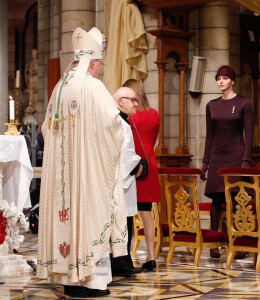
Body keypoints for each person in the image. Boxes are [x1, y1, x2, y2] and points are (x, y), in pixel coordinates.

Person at [37, 27, 127, 298]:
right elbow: (114, 126)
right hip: (87, 176)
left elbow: (45, 128)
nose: (99, 70)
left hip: (62, 179)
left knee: (65, 217)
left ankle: (67, 279)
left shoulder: (59, 87)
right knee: (88, 217)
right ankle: (90, 283)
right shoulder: (93, 86)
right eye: (99, 65)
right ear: (94, 62)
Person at [200, 65, 254, 259]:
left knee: (237, 200)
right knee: (216, 200)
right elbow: (209, 136)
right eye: (218, 78)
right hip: (217, 157)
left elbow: (249, 135)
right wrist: (205, 162)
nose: (220, 81)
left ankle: (241, 242)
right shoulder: (211, 105)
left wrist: (246, 161)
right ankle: (214, 243)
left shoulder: (244, 103)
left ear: (233, 81)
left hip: (236, 156)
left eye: (224, 78)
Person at [122, 79, 161, 271]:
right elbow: (152, 141)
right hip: (150, 164)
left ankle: (124, 256)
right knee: (147, 213)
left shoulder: (130, 116)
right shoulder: (154, 114)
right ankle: (151, 256)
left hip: (133, 165)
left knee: (127, 213)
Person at [111, 87, 143, 276]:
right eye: (133, 100)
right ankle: (121, 264)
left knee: (127, 221)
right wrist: (138, 165)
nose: (136, 104)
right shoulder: (118, 122)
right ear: (121, 101)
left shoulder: (124, 121)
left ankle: (124, 261)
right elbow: (123, 152)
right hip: (122, 180)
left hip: (126, 180)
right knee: (122, 222)